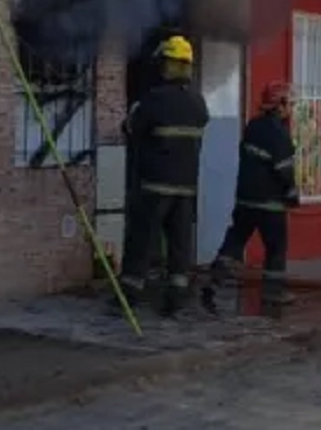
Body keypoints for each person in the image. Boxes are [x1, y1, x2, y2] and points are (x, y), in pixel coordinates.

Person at [118, 35, 209, 316]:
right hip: (186, 188)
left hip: (154, 186)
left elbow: (130, 129)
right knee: (180, 246)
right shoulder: (198, 103)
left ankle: (130, 297)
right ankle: (176, 299)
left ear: (165, 65)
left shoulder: (153, 101)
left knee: (142, 240)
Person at [210, 80, 299, 306]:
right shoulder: (279, 133)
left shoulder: (253, 126)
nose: (291, 108)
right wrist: (292, 193)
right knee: (276, 248)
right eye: (290, 103)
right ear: (280, 104)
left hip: (245, 200)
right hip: (270, 203)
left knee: (236, 239)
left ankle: (214, 280)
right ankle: (273, 293)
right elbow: (284, 170)